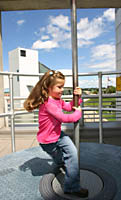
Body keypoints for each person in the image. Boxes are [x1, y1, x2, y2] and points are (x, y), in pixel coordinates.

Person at [24, 70, 88, 198]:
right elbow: (65, 118)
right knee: (59, 159)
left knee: (72, 153)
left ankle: (71, 187)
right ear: (49, 87)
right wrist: (78, 113)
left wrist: (78, 98)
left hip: (58, 135)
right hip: (48, 141)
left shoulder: (58, 100)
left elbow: (69, 107)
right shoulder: (48, 104)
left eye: (63, 86)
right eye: (59, 87)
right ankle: (61, 162)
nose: (62, 90)